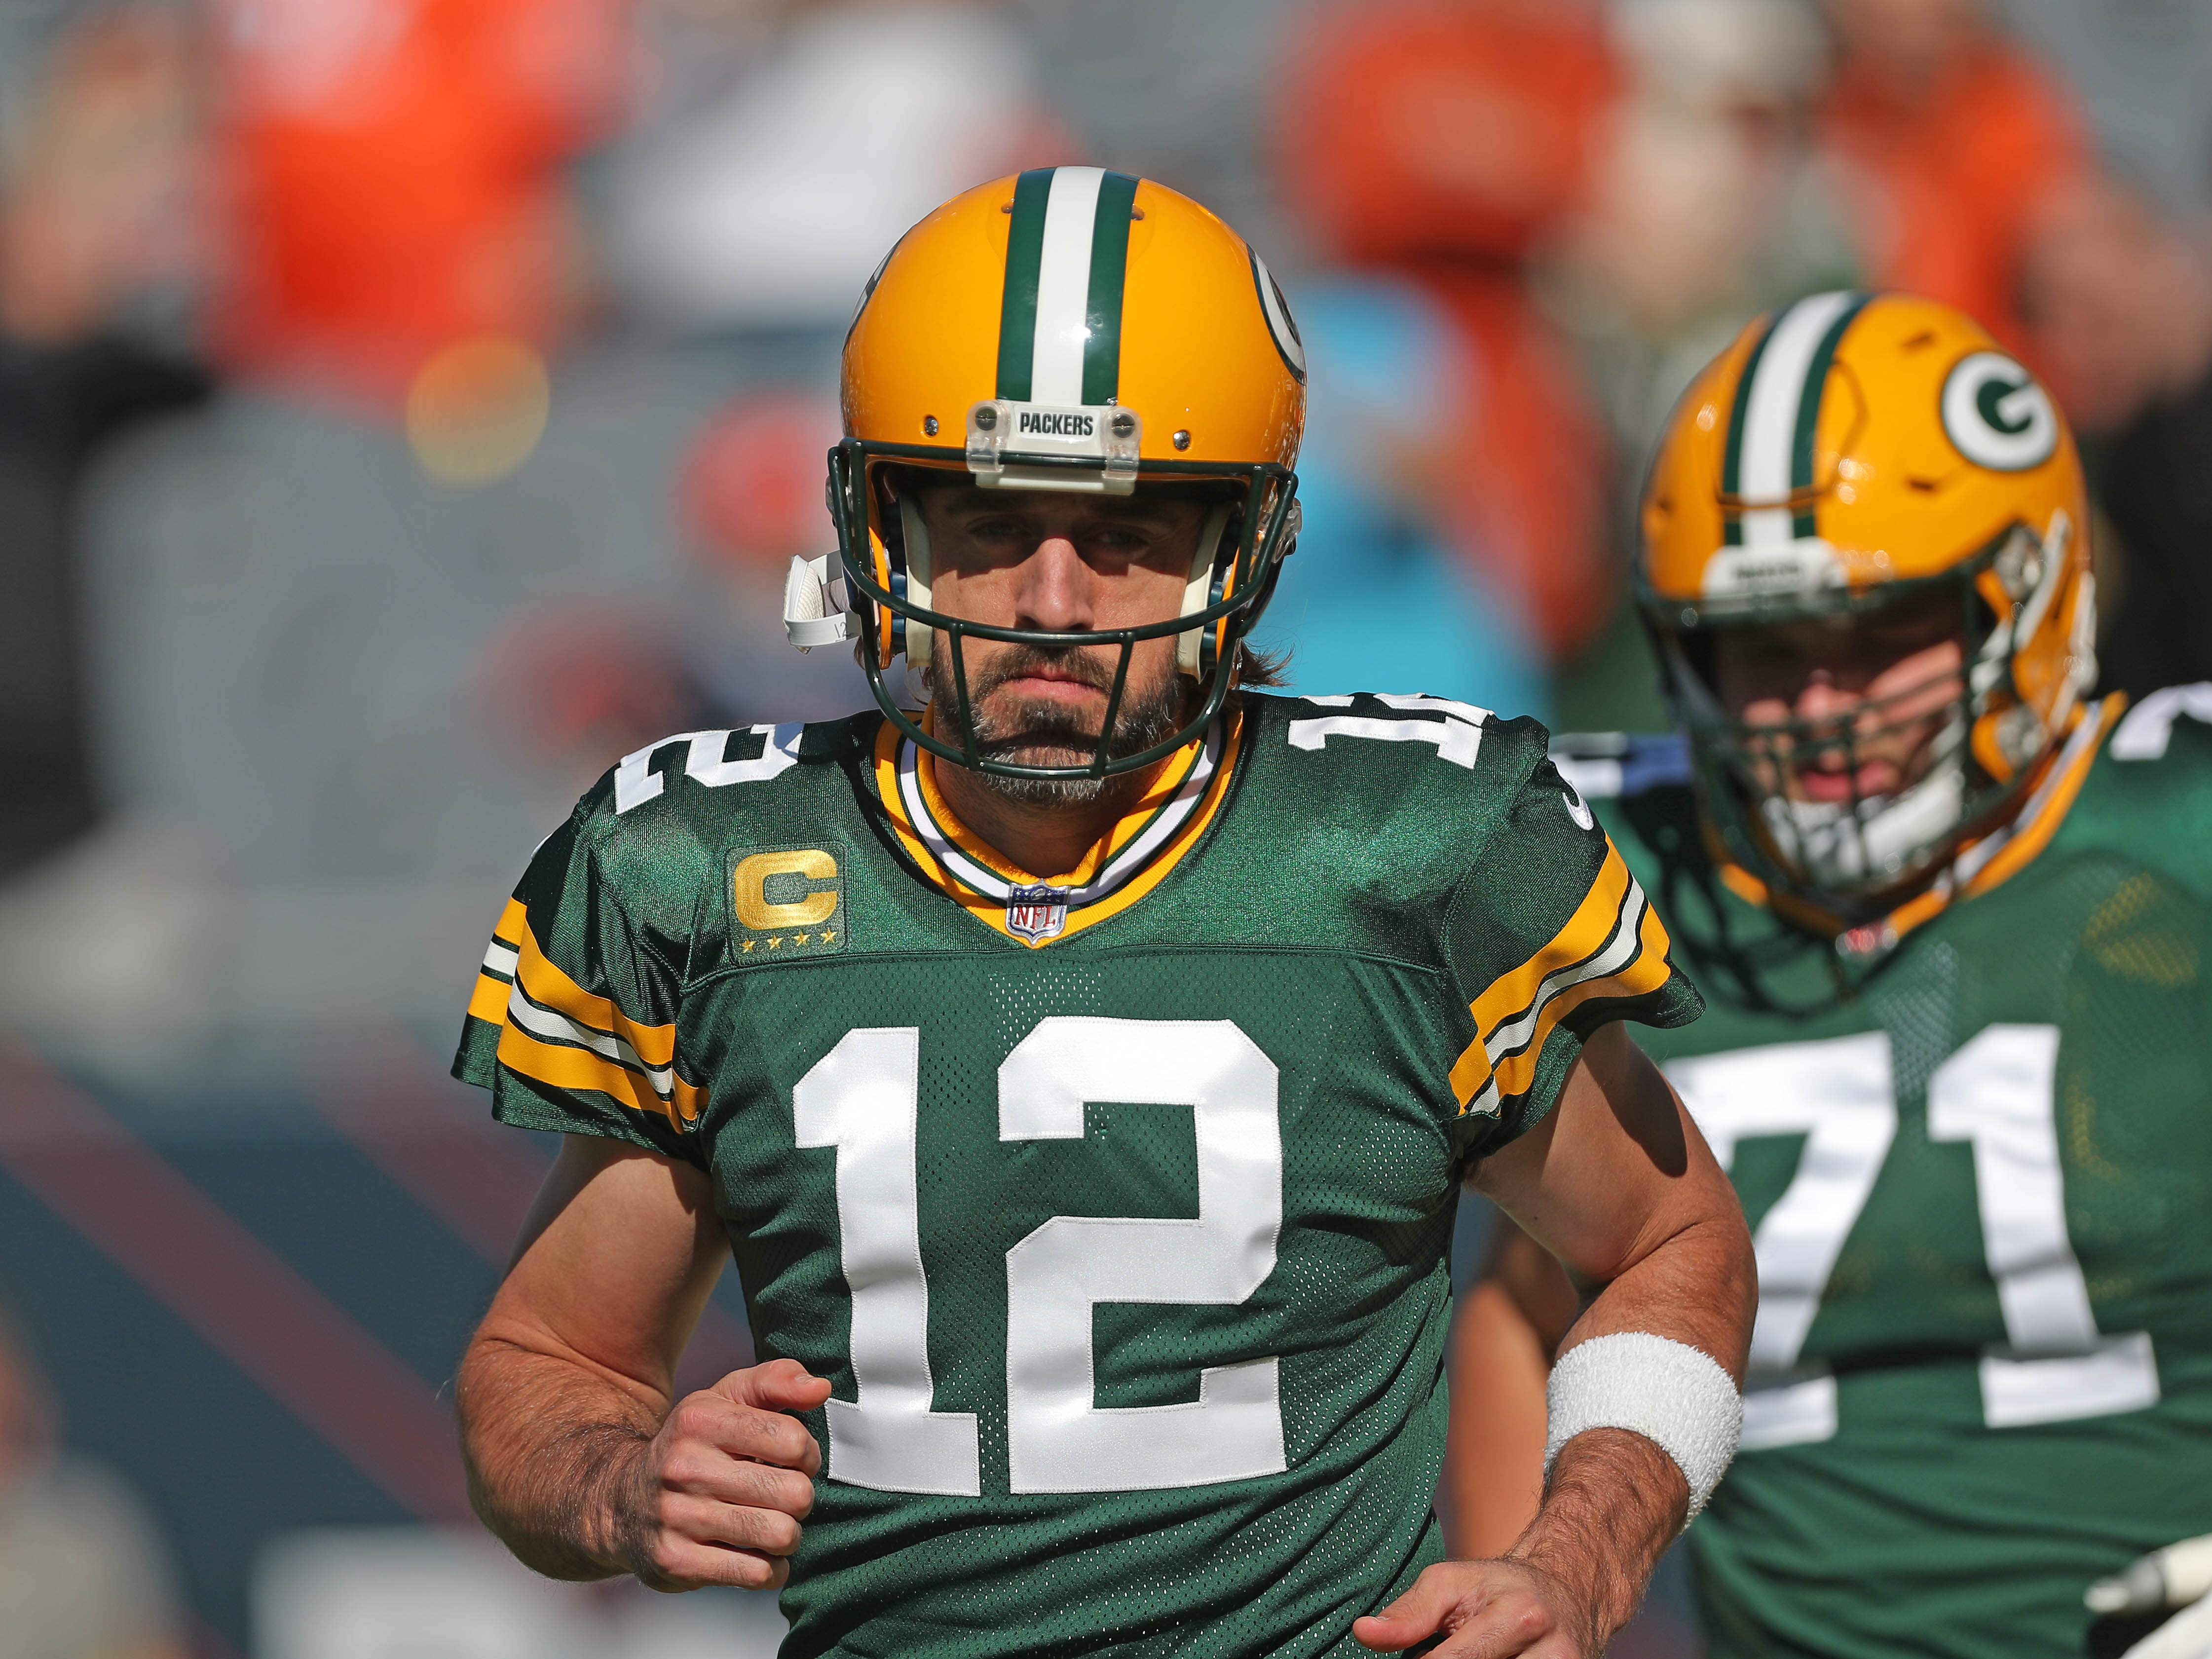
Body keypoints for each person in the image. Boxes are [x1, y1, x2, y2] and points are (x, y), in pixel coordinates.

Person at [450, 168, 1754, 1658]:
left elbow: (1672, 1241)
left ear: (1243, 545)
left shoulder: (1411, 846)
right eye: (991, 520)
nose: (1055, 602)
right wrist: (624, 1483)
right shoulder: (697, 865)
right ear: (881, 525)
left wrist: (1576, 1561)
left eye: (1127, 531)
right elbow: (546, 1366)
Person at [1452, 290, 2212, 1657]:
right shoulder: (1612, 871)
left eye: (1878, 636)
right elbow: (1527, 1300)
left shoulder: (2173, 831)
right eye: (1765, 649)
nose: (1820, 708)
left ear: (2026, 598)